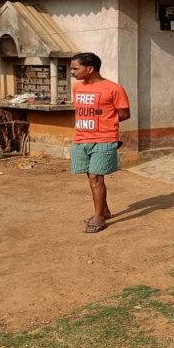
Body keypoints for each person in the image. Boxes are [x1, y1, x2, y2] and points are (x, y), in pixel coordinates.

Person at [69, 52, 131, 233]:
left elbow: (124, 114)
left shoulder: (114, 89)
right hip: (81, 138)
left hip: (104, 139)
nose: (72, 72)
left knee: (96, 178)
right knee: (91, 176)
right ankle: (104, 210)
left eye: (75, 68)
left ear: (89, 69)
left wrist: (104, 122)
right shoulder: (77, 88)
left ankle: (99, 218)